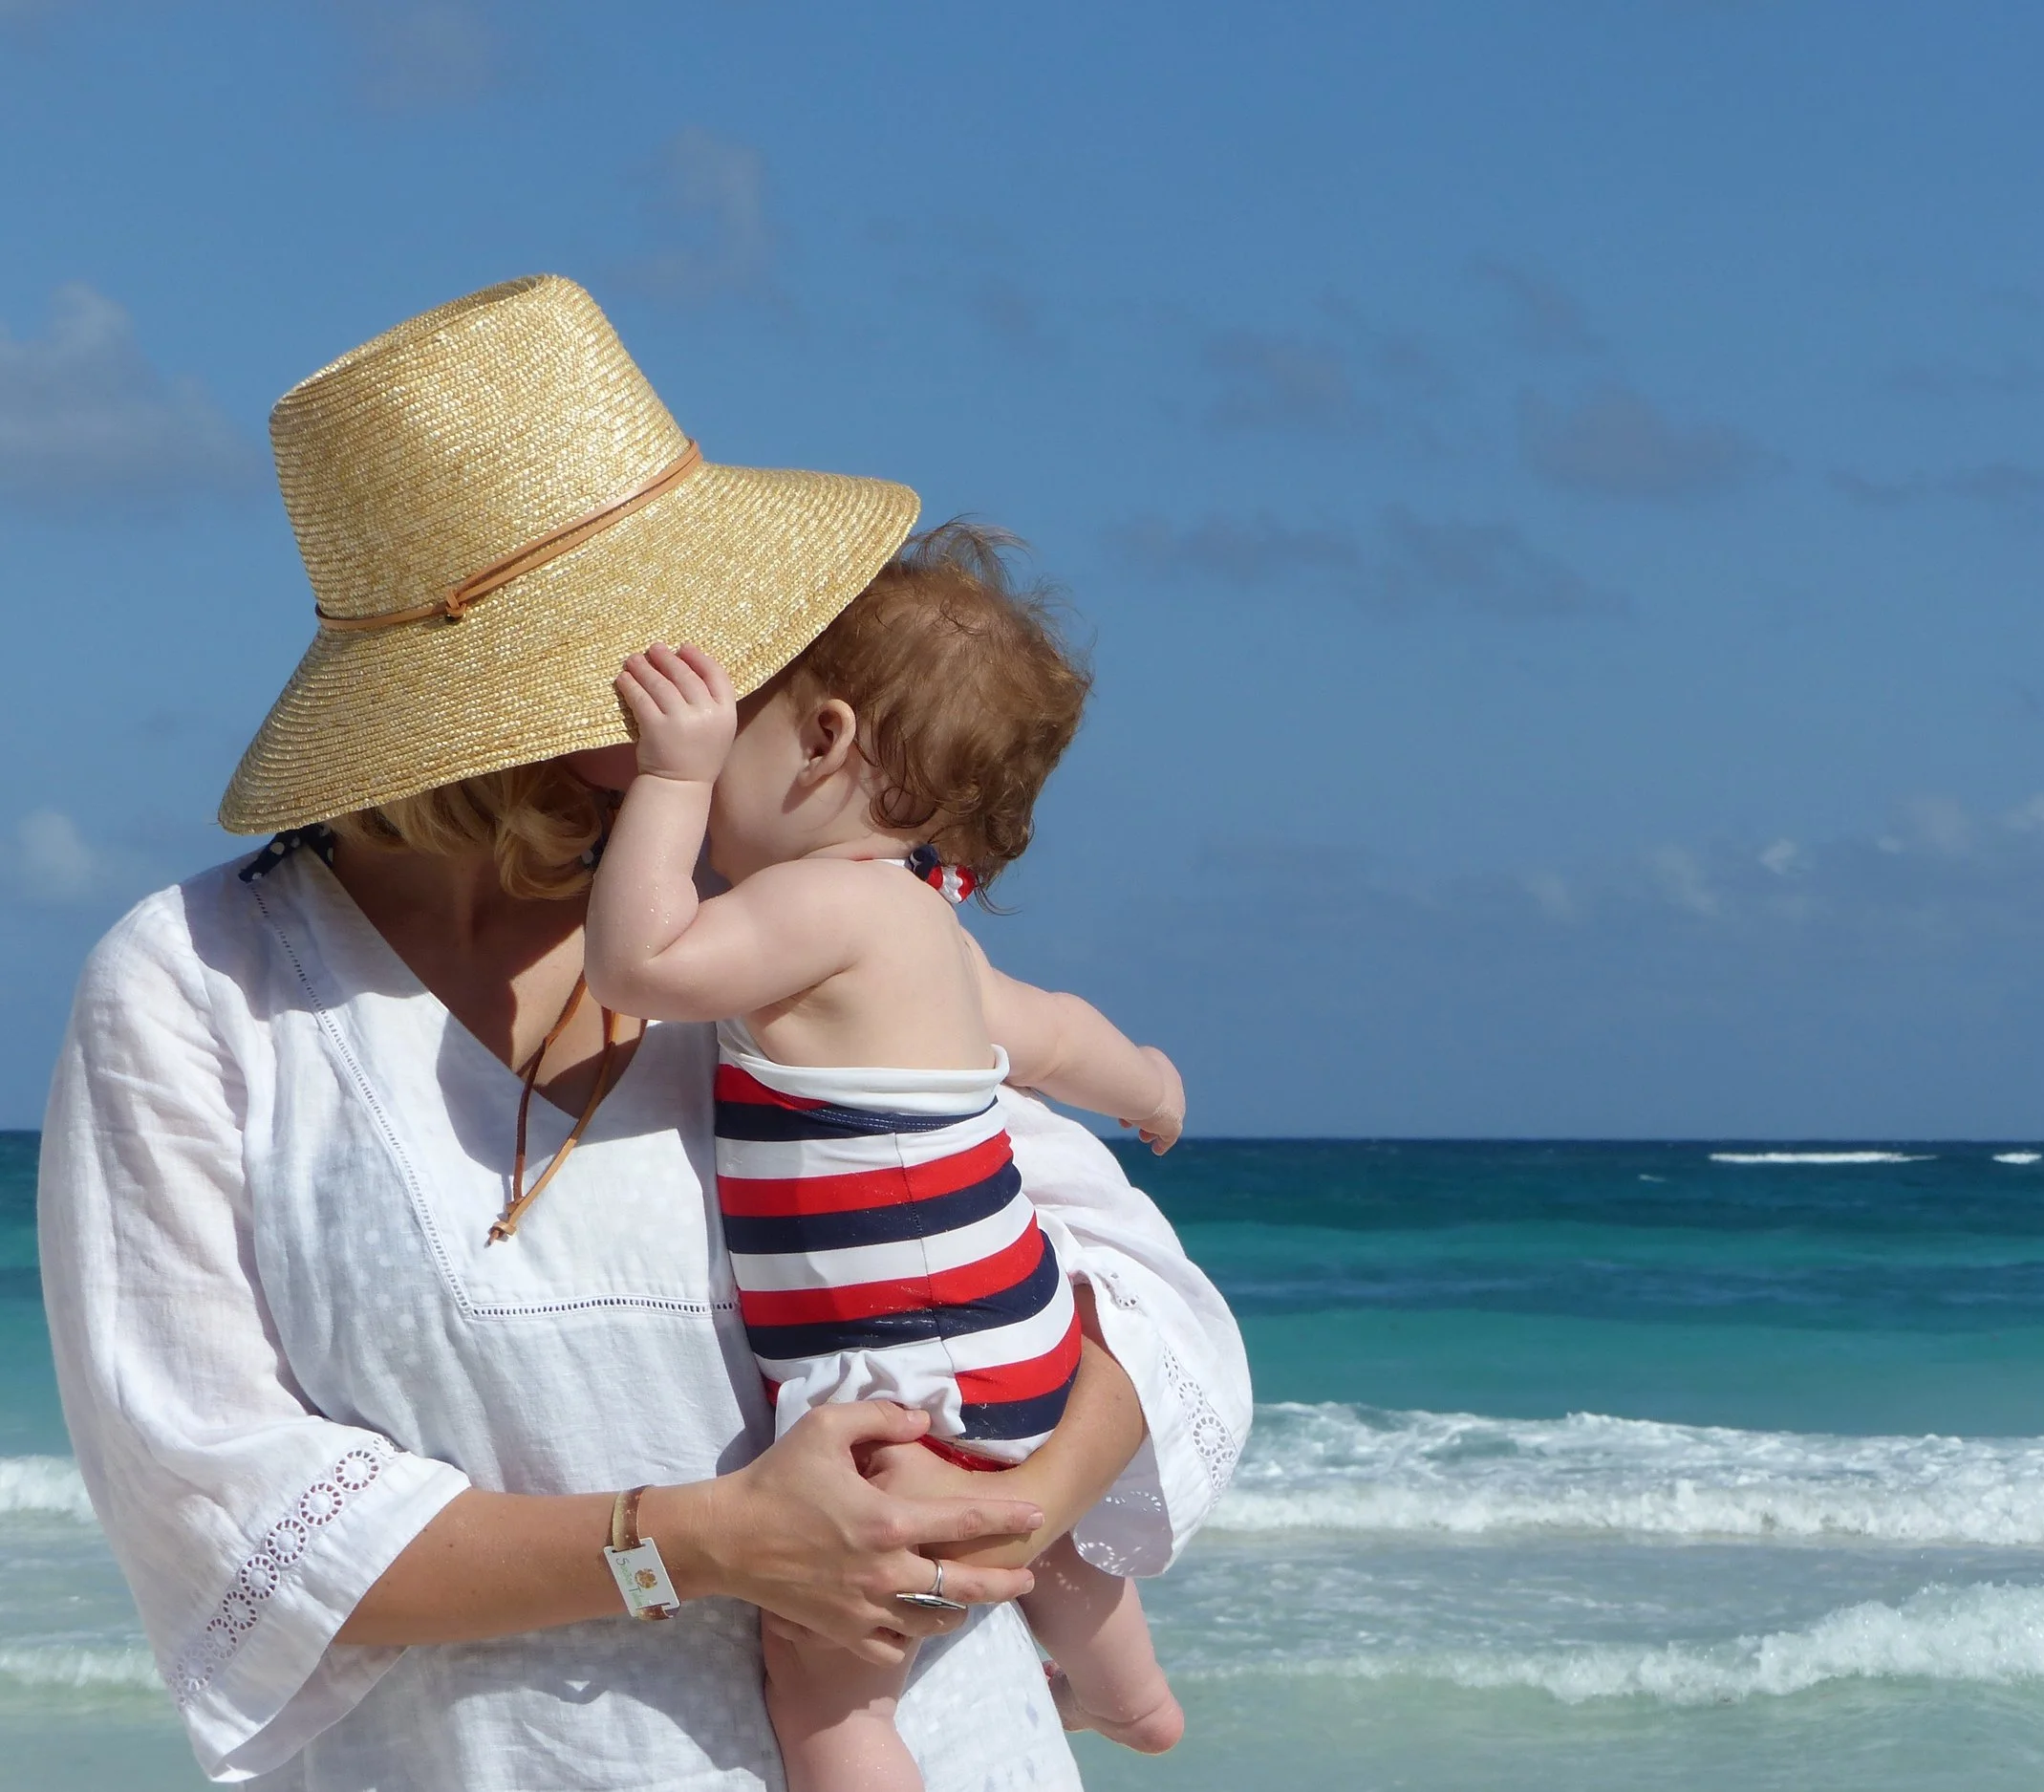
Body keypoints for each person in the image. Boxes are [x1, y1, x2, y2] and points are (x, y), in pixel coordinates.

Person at [35, 274, 1249, 1790]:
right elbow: (226, 1502)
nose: (730, 677)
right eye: (666, 644)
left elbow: (1135, 1299)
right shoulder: (201, 987)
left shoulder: (778, 914)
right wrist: (709, 1542)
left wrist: (997, 1519)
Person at [583, 525, 1186, 1791]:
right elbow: (1055, 1034)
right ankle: (1128, 1696)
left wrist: (670, 776)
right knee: (1037, 1529)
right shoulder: (927, 927)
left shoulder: (816, 906)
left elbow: (638, 963)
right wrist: (1147, 1081)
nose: (719, 749)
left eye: (741, 724)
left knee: (823, 1682)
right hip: (1021, 1335)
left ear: (823, 739)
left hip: (912, 1365)